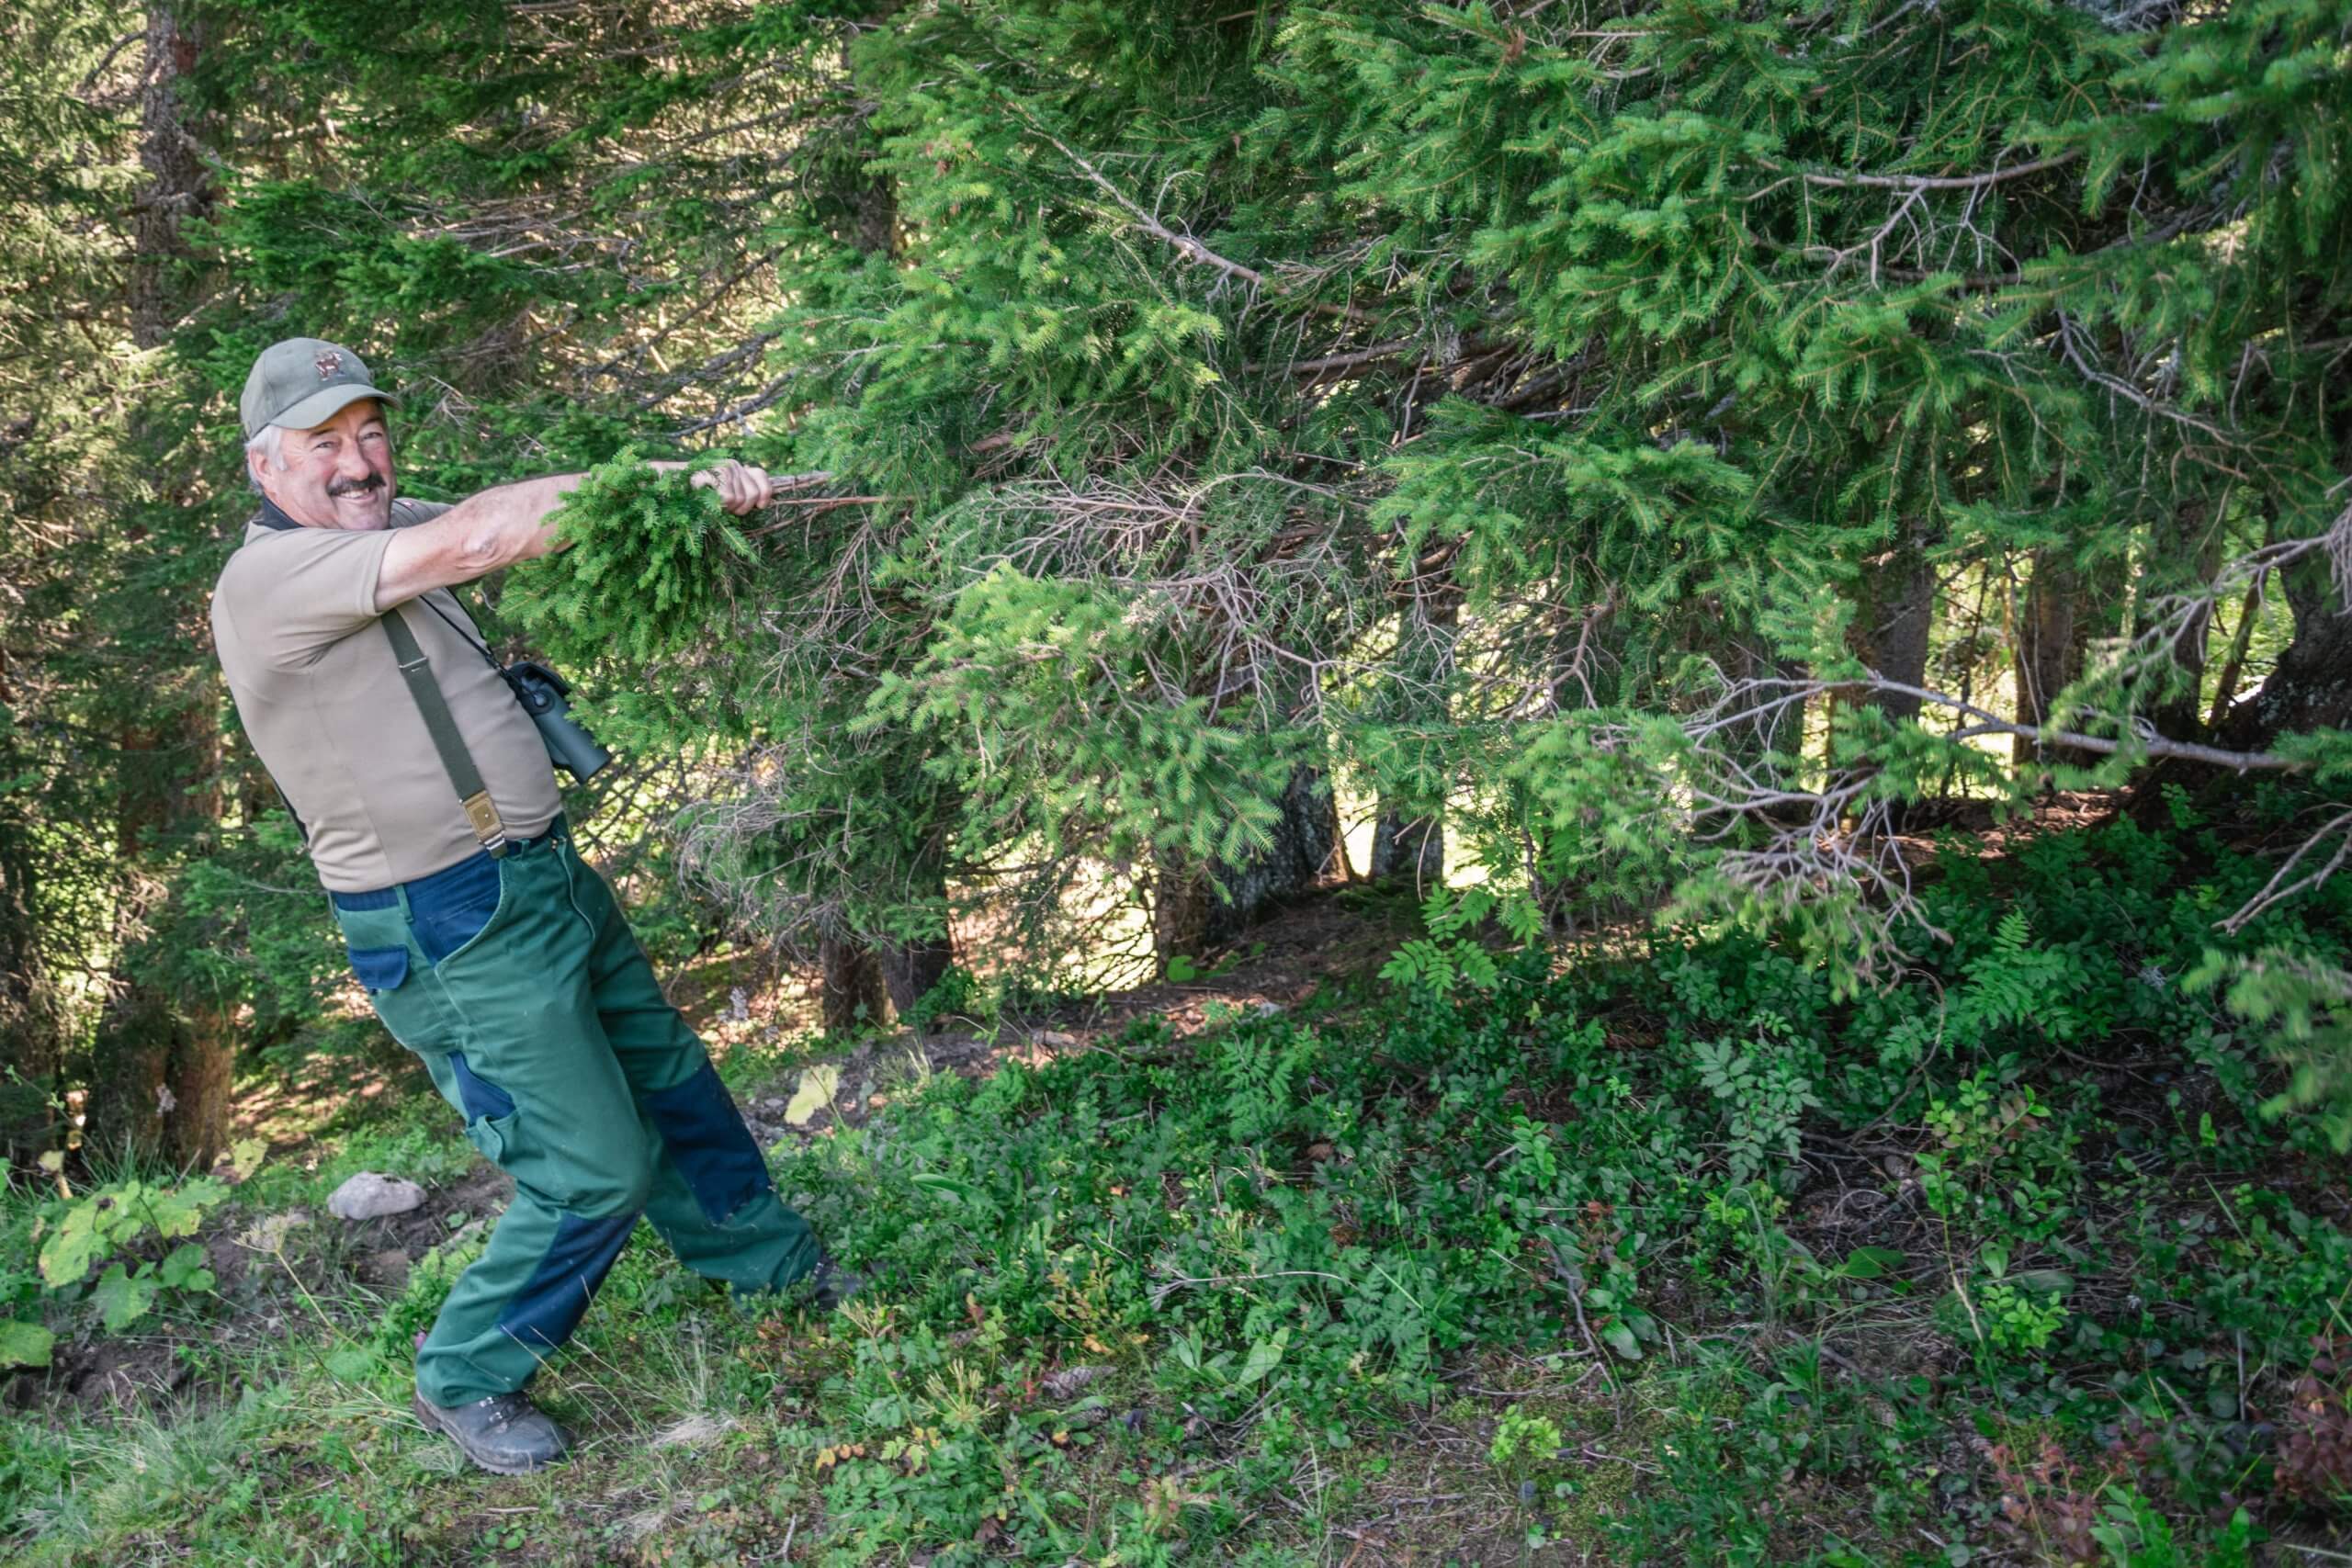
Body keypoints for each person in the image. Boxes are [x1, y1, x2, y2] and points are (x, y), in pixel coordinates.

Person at [209, 337, 856, 1474]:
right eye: (325, 446)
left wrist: (709, 489)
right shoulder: (269, 580)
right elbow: (484, 534)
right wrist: (684, 477)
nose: (359, 465)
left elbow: (569, 517)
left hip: (541, 872)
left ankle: (768, 1271)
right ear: (268, 467)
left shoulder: (382, 524)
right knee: (591, 1164)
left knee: (669, 1076)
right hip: (449, 920)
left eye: (370, 433)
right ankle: (466, 1373)